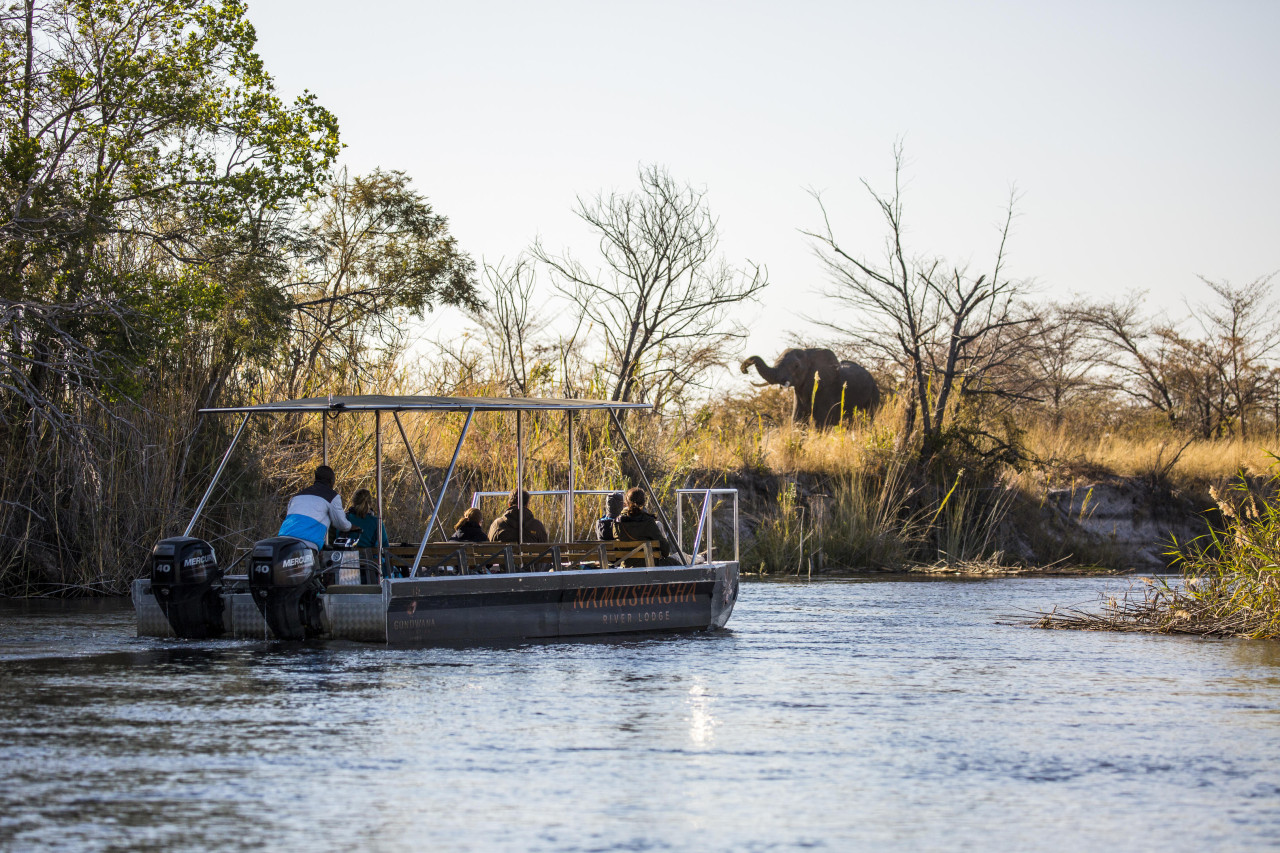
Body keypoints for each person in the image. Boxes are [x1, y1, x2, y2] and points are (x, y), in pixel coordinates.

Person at [278, 465, 352, 550]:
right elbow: (342, 524)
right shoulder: (332, 497)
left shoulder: (297, 496)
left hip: (284, 539)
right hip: (306, 542)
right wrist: (351, 526)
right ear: (332, 481)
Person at [616, 487, 675, 564]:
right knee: (685, 558)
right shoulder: (648, 522)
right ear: (644, 503)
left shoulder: (617, 522)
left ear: (626, 502)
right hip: (650, 564)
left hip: (626, 565)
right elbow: (665, 551)